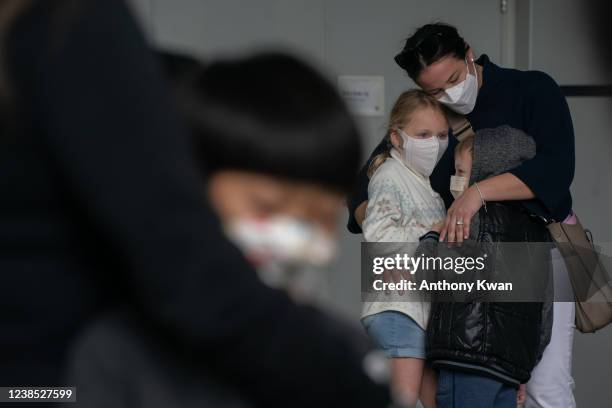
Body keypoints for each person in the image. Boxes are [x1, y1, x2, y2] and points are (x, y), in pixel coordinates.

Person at [0, 1, 391, 407]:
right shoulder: (115, 357)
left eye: (322, 218)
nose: (297, 233)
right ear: (193, 184)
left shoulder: (337, 347)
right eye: (267, 207)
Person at [348, 22, 576, 408]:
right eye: (434, 90)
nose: (448, 94)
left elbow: (555, 172)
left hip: (533, 253)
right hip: (461, 268)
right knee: (467, 384)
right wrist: (400, 227)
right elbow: (361, 187)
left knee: (544, 386)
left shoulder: (531, 89)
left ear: (469, 53)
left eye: (454, 79)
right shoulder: (432, 116)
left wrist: (476, 194)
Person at [418, 126, 552, 408]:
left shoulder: (467, 219)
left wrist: (431, 237)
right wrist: (524, 367)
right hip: (510, 368)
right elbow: (545, 313)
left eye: (462, 172)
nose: (456, 180)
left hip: (464, 360)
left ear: (485, 172)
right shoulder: (538, 233)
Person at [360, 90, 448, 407]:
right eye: (423, 135)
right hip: (397, 309)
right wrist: (433, 232)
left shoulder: (426, 185)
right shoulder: (390, 175)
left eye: (441, 135)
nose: (434, 143)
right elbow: (378, 236)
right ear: (397, 138)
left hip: (420, 314)